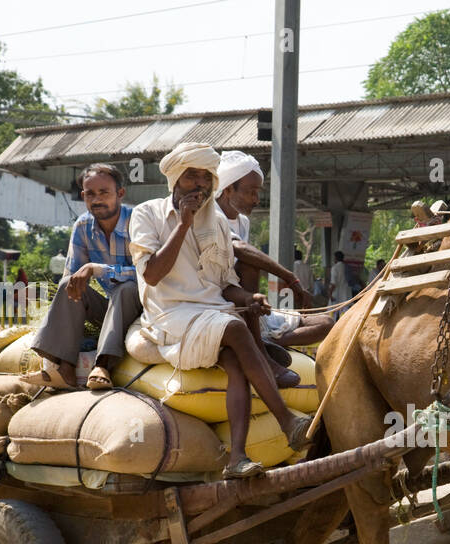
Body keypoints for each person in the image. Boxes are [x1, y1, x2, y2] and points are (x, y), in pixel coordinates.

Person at [127, 141, 312, 479]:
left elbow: (225, 284)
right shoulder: (147, 214)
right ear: (175, 180)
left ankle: (236, 458)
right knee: (234, 328)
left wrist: (248, 298)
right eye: (190, 177)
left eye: (204, 178)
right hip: (171, 315)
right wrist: (183, 225)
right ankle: (287, 420)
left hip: (212, 311)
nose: (198, 185)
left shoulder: (217, 223)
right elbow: (152, 274)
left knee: (235, 363)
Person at [19, 162, 144, 391]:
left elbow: (147, 273)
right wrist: (78, 280)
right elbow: (72, 274)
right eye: (90, 194)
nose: (96, 200)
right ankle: (63, 367)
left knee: (125, 289)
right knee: (69, 283)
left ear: (120, 194)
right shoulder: (83, 226)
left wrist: (97, 269)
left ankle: (103, 366)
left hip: (144, 310)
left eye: (104, 192)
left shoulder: (139, 221)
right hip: (110, 312)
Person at [213, 150, 331, 356]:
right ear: (229, 189)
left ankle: (265, 340)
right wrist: (290, 277)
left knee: (326, 323)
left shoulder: (243, 222)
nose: (256, 199)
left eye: (258, 192)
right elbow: (239, 249)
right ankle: (258, 344)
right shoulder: (211, 215)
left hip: (247, 303)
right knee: (250, 264)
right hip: (220, 298)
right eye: (251, 192)